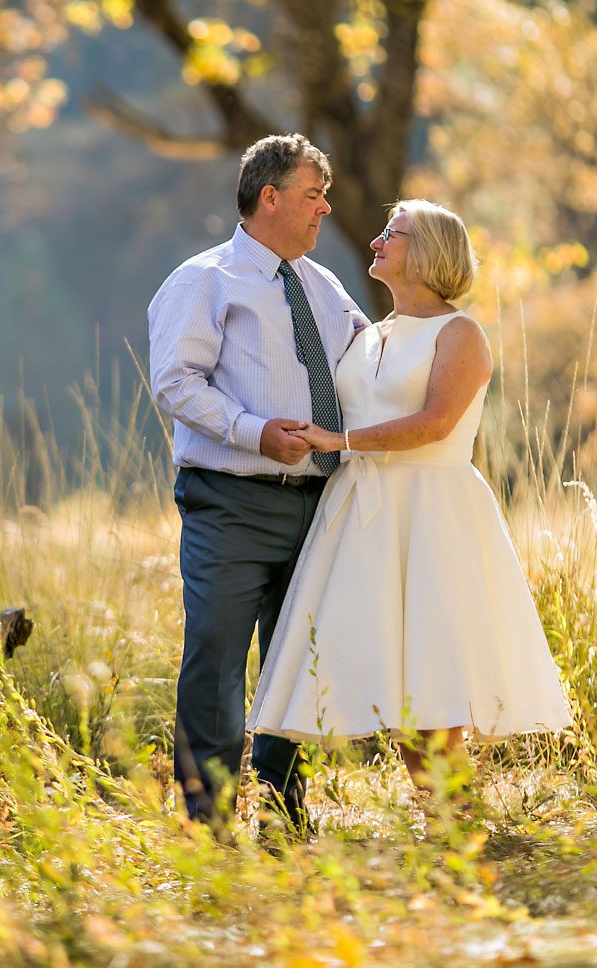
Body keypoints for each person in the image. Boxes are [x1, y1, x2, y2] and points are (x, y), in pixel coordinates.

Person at [248, 199, 573, 797]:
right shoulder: (369, 335)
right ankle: (442, 826)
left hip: (432, 516)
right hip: (364, 517)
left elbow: (436, 423)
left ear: (424, 253)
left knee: (434, 680)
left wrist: (339, 441)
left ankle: (452, 831)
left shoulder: (461, 334)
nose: (374, 242)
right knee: (399, 684)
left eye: (389, 235)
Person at [148, 134, 370, 825]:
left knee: (297, 660)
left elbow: (366, 365)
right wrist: (255, 431)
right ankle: (207, 822)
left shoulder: (323, 286)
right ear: (268, 197)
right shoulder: (203, 281)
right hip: (232, 504)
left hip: (317, 505)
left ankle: (281, 813)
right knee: (216, 655)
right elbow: (175, 383)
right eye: (313, 195)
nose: (325, 210)